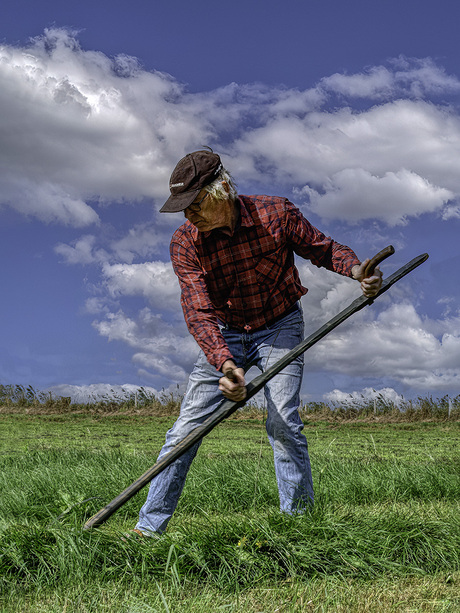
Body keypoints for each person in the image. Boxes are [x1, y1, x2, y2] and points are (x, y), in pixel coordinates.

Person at [134, 149, 382, 536]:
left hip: (279, 324)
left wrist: (355, 270)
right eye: (183, 209)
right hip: (226, 332)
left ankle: (297, 529)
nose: (190, 216)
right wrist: (226, 365)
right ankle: (148, 529)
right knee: (184, 430)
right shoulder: (185, 243)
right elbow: (198, 309)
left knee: (282, 421)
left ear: (224, 189)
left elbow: (322, 248)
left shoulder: (276, 214)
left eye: (196, 204)